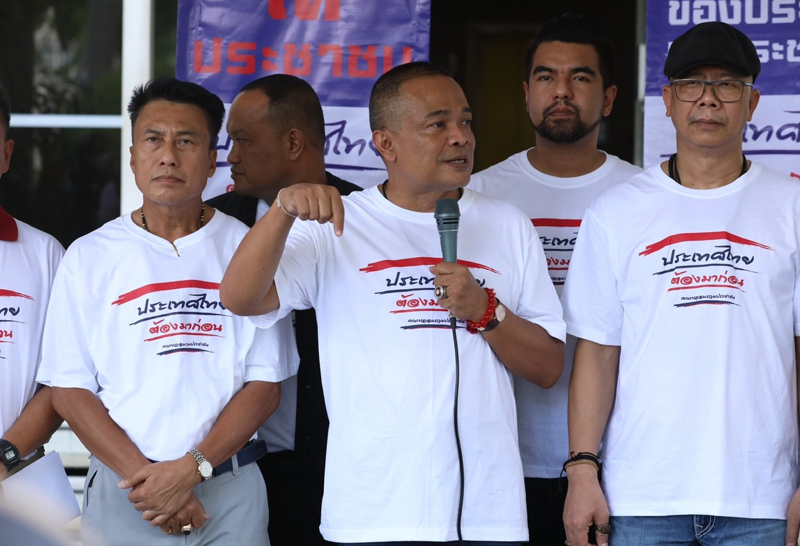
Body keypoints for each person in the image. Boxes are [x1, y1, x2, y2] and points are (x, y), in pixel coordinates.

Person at [220, 61, 566, 545]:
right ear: (386, 143)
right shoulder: (338, 224)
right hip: (372, 513)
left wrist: (486, 311)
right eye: (438, 124)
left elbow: (548, 367)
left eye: (466, 121)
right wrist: (282, 211)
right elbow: (240, 298)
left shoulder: (508, 224)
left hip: (487, 513)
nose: (461, 137)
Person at [562, 21, 800, 546]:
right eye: (692, 84)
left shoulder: (792, 206)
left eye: (727, 85)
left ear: (753, 103)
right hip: (640, 499)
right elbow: (597, 352)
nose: (708, 99)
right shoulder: (615, 211)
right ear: (668, 101)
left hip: (761, 498)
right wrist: (581, 470)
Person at [36, 77, 297, 545]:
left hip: (230, 489)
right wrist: (153, 483)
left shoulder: (249, 247)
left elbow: (265, 385)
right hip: (127, 489)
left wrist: (190, 471)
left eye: (187, 141)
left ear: (213, 160)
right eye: (153, 139)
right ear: (132, 155)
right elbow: (69, 389)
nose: (168, 156)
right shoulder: (89, 255)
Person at [469, 14, 641, 545]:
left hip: (615, 460)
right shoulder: (478, 195)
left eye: (580, 77)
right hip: (501, 457)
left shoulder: (644, 197)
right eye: (546, 76)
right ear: (526, 94)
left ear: (609, 99)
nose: (561, 91)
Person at [207, 73, 360, 546]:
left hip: (347, 469)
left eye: (243, 140)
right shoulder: (212, 223)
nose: (231, 156)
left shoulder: (367, 218)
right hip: (232, 470)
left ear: (293, 142)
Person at [0, 82, 64, 487]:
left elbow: (66, 378)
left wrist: (4, 456)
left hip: (19, 472)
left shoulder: (46, 254)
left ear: (6, 155)